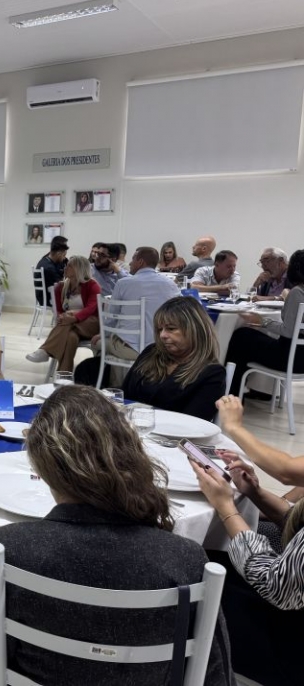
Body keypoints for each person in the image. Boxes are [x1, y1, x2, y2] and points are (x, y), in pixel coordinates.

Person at [0, 386, 233, 686]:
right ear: (132, 454)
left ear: (43, 467)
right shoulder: (184, 559)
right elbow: (215, 676)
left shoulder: (11, 548)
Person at [191, 394, 304, 685]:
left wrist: (226, 508)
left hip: (290, 643)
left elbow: (276, 585)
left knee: (195, 568)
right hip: (290, 589)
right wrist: (254, 492)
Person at [84, 246, 182, 387]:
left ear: (140, 262)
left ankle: (113, 386)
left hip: (131, 349)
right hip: (160, 347)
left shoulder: (123, 283)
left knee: (98, 343)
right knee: (117, 340)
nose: (130, 263)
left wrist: (102, 335)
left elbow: (112, 319)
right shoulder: (170, 284)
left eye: (133, 259)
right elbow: (179, 312)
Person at [122, 297, 226, 421]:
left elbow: (194, 423)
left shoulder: (212, 373)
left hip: (169, 432)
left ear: (195, 330)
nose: (162, 335)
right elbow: (124, 393)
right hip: (128, 425)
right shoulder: (152, 353)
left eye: (171, 329)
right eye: (159, 329)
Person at [226, 248, 304, 396]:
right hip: (299, 358)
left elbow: (288, 331)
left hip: (290, 358)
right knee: (246, 337)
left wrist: (262, 321)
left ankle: (231, 393)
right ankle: (240, 392)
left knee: (241, 337)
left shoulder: (297, 292)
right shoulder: (275, 282)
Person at [26, 256, 101, 371]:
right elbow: (59, 309)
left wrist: (74, 317)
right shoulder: (61, 286)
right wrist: (62, 316)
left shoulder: (92, 285)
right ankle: (64, 375)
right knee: (71, 338)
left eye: (70, 266)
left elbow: (90, 309)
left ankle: (45, 350)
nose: (65, 268)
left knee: (68, 321)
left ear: (79, 268)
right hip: (69, 325)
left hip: (90, 323)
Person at [34, 237, 68, 306]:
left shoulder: (47, 259)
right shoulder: (49, 268)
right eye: (64, 255)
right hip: (48, 299)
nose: (64, 257)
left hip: (44, 296)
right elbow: (60, 286)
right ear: (58, 253)